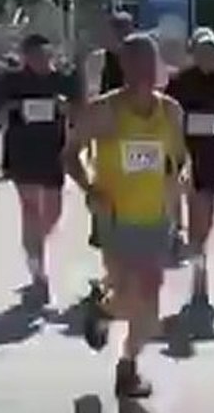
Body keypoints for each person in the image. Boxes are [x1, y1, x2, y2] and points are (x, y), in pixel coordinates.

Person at [65, 33, 185, 398]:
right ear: (124, 68)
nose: (145, 72)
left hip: (155, 219)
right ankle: (104, 312)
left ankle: (126, 364)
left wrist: (176, 212)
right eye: (136, 64)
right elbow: (70, 155)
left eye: (150, 63)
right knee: (129, 294)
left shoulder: (170, 112)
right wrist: (91, 191)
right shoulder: (105, 110)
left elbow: (176, 164)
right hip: (114, 217)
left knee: (147, 311)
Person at [0, 33, 81, 297]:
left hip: (53, 152)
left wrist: (67, 108)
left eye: (46, 56)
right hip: (23, 151)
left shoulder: (63, 80)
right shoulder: (12, 80)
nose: (42, 61)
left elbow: (82, 109)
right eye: (35, 57)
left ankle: (35, 247)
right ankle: (38, 275)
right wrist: (16, 107)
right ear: (25, 58)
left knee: (53, 213)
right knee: (30, 210)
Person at [164, 27, 214, 302]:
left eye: (212, 52)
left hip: (213, 154)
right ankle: (194, 261)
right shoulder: (180, 81)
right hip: (184, 151)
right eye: (201, 51)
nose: (207, 57)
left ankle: (198, 252)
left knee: (206, 214)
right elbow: (167, 113)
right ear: (193, 52)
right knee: (192, 205)